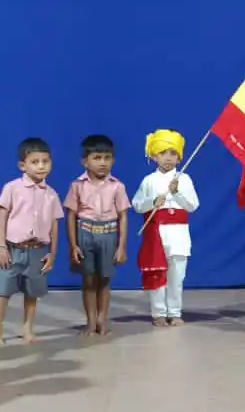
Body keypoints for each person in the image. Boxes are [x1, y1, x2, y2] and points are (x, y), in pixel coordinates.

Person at [0, 137, 62, 344]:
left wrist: (52, 254)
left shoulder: (51, 194)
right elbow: (2, 218)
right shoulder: (12, 188)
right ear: (23, 165)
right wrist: (1, 246)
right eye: (35, 162)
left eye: (45, 161)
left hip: (38, 250)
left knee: (32, 292)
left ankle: (27, 328)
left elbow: (54, 226)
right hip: (13, 250)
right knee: (3, 291)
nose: (41, 166)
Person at [64, 134, 130, 336]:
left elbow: (123, 216)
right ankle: (91, 320)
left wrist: (121, 246)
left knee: (105, 279)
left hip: (109, 234)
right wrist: (73, 245)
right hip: (85, 233)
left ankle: (103, 318)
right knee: (89, 279)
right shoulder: (77, 185)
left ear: (113, 160)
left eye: (107, 158)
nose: (102, 163)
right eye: (97, 158)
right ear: (85, 161)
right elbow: (71, 215)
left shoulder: (117, 186)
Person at [134, 129, 200, 326]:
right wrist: (153, 201)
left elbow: (193, 205)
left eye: (173, 153)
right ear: (154, 155)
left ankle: (175, 312)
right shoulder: (149, 180)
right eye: (163, 153)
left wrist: (177, 193)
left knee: (176, 276)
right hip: (157, 233)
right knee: (157, 273)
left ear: (180, 157)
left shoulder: (184, 179)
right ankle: (158, 313)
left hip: (178, 234)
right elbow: (137, 204)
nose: (168, 158)